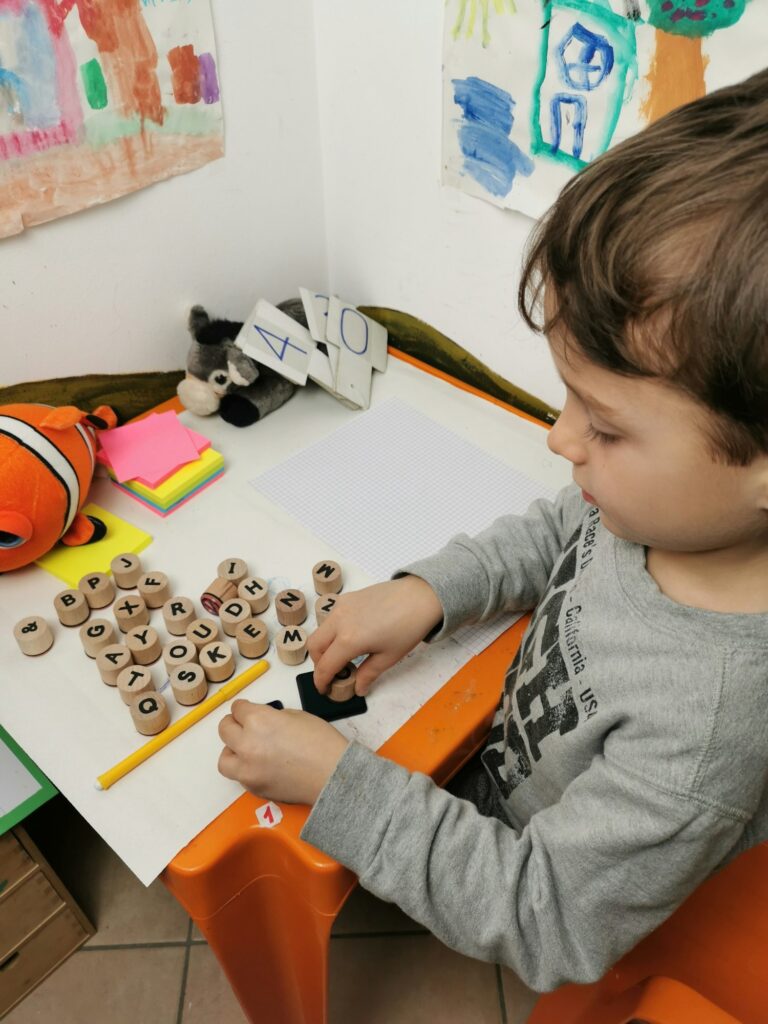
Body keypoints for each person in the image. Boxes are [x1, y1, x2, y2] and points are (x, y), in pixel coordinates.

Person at [217, 68, 768, 990]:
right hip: (494, 778)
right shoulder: (661, 514)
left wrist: (339, 787)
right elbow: (566, 528)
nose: (559, 440)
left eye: (606, 424)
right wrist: (432, 592)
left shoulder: (707, 730)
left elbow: (546, 917)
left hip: (530, 874)